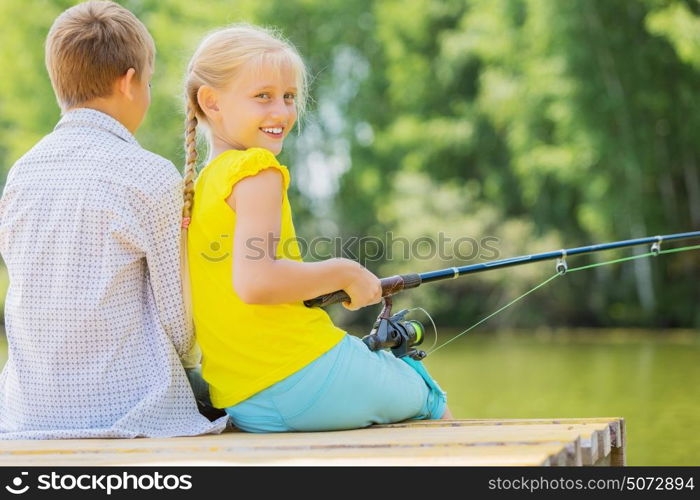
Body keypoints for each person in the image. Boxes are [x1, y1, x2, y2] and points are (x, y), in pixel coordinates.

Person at [182, 24, 452, 433]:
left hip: (243, 399)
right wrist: (345, 272)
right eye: (263, 96)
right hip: (301, 376)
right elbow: (257, 282)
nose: (282, 111)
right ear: (211, 102)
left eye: (289, 97)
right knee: (427, 393)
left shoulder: (203, 184)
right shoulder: (257, 170)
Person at [0, 1, 227, 438]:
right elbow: (180, 329)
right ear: (129, 82)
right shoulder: (150, 176)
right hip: (131, 410)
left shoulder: (21, 174)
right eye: (148, 82)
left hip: (27, 414)